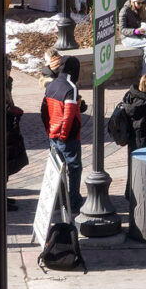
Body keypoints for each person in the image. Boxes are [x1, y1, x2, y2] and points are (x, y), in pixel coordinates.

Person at [41, 54, 86, 212]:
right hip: (67, 137)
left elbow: (44, 110)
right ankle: (73, 201)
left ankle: (58, 200)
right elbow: (68, 115)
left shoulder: (51, 85)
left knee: (56, 168)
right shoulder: (71, 88)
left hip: (52, 134)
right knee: (74, 168)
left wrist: (50, 130)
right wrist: (64, 135)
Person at [5, 56, 29, 211]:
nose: (9, 72)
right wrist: (10, 111)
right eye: (8, 69)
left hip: (9, 128)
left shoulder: (6, 82)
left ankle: (1, 195)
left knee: (7, 164)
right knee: (3, 165)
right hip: (4, 129)